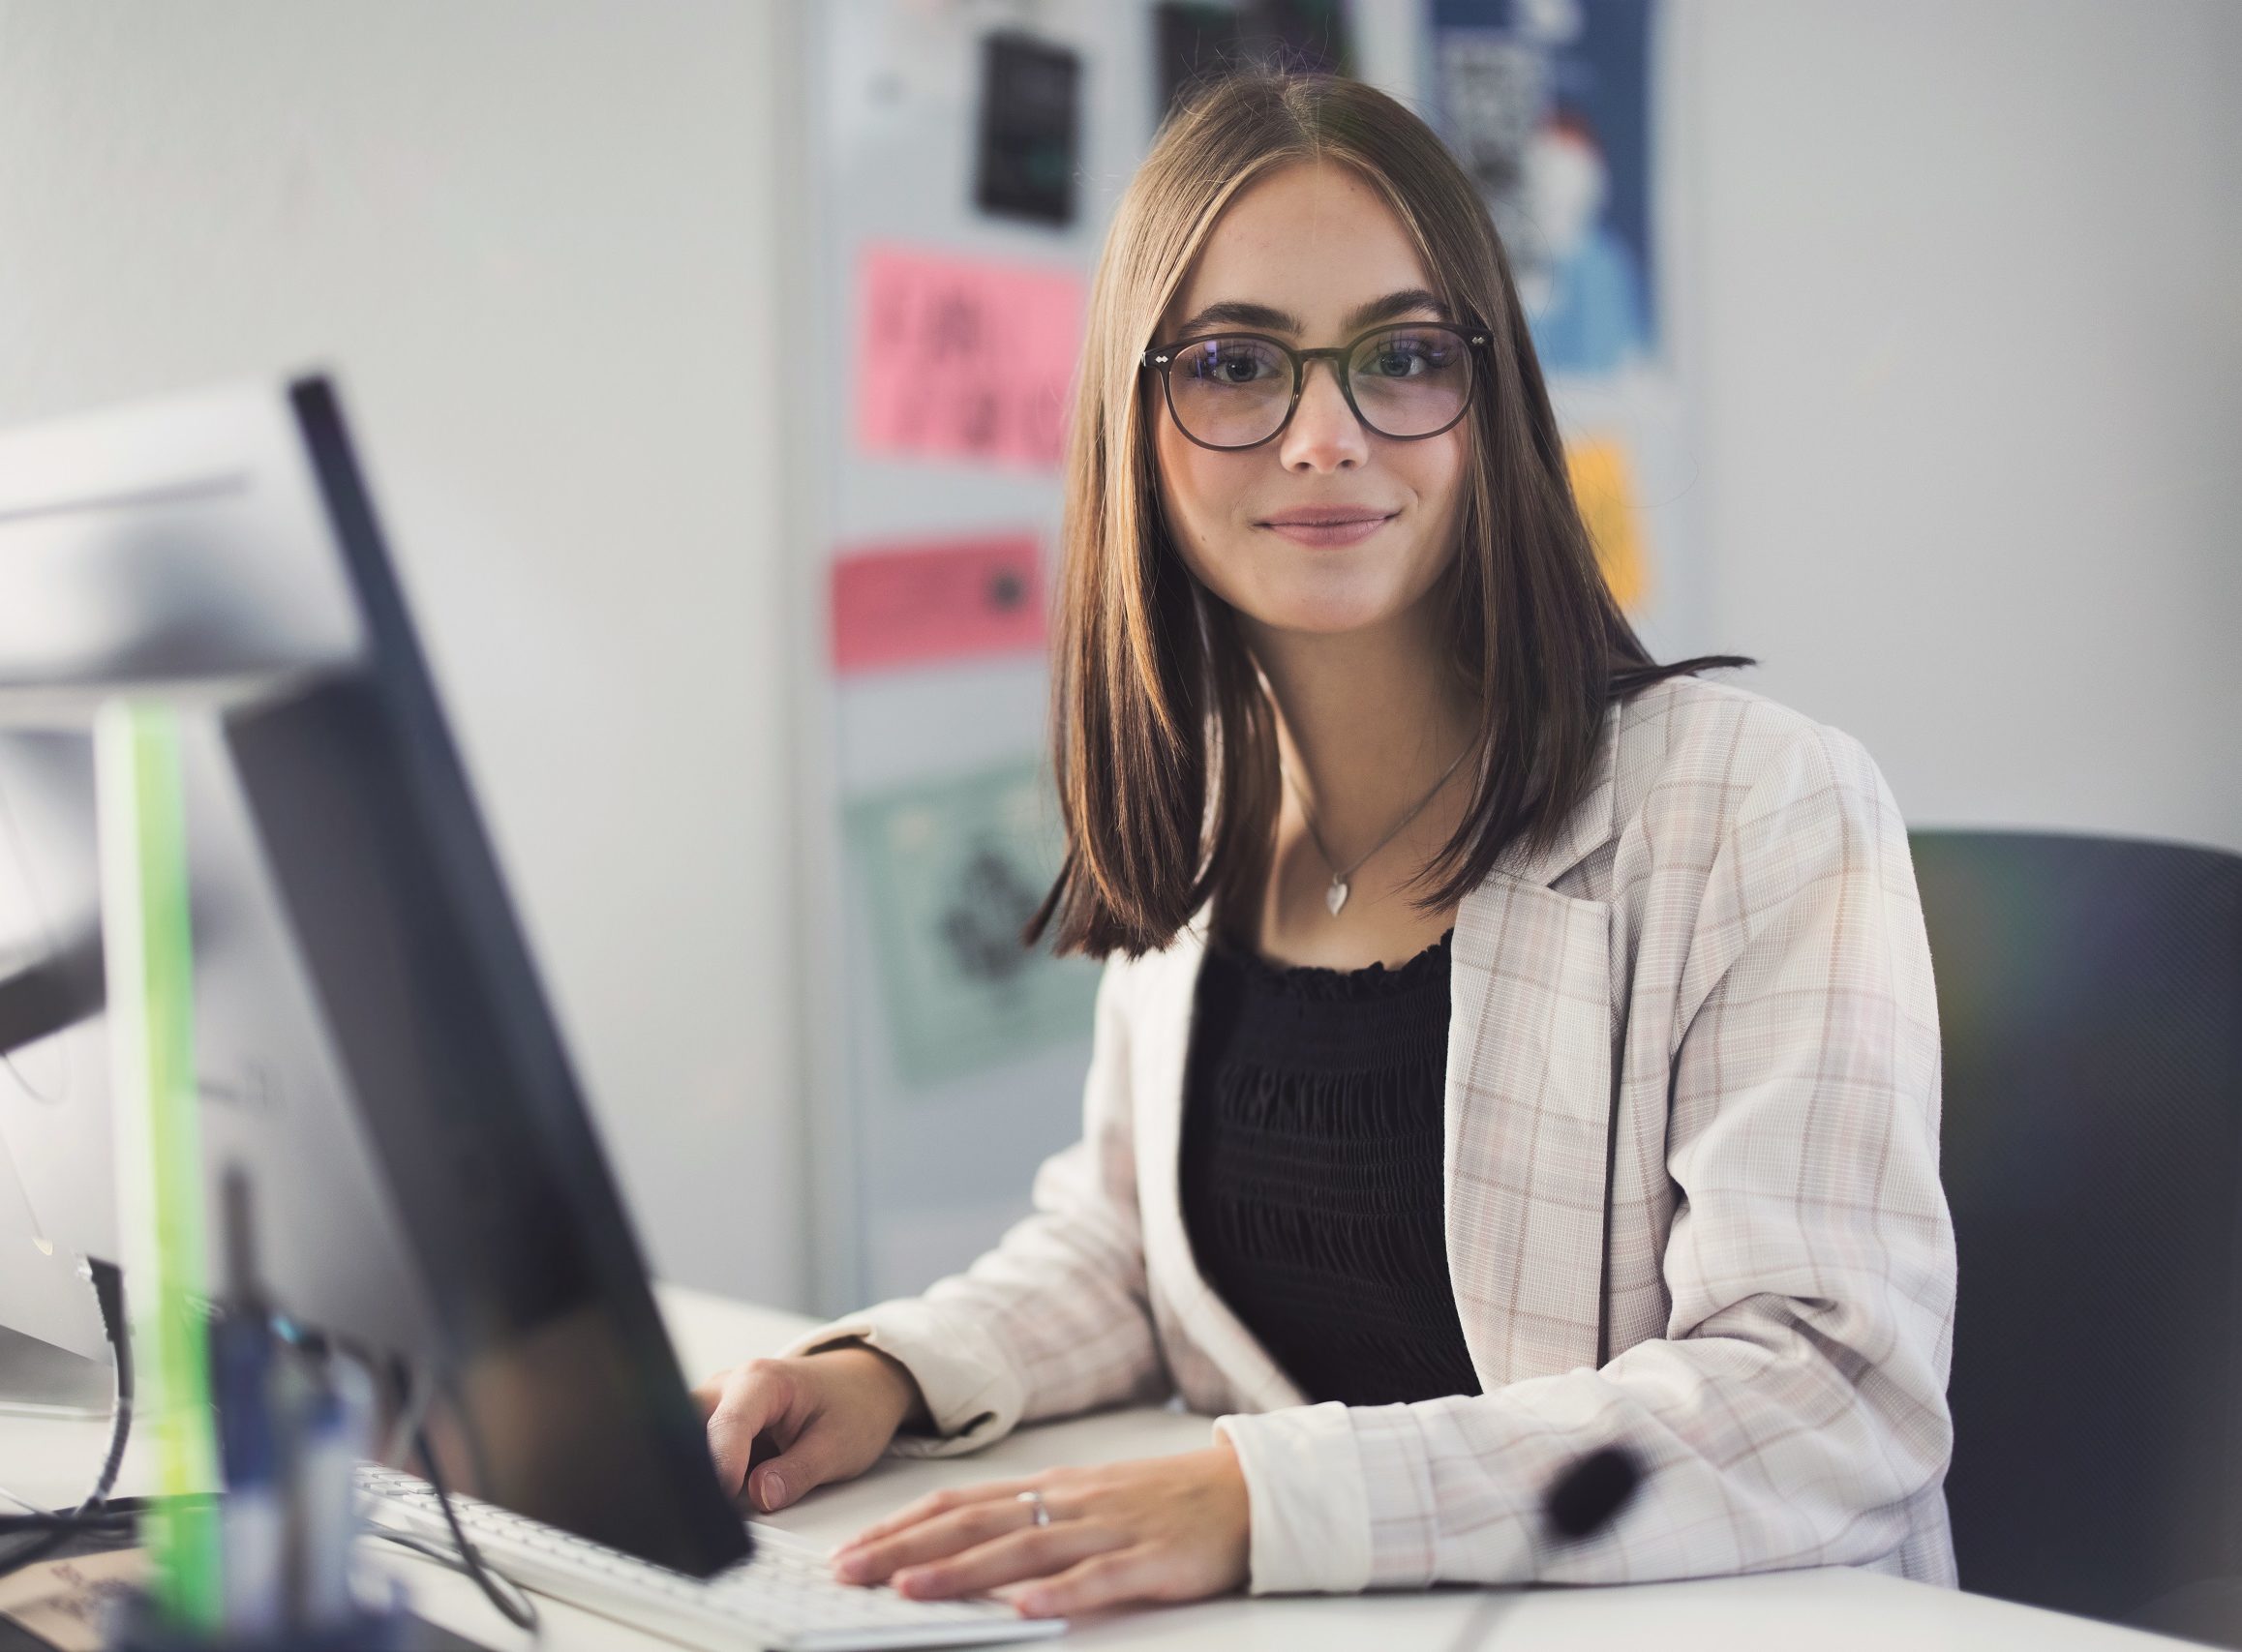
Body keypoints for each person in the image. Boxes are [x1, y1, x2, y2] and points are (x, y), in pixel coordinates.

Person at [694, 69, 1956, 1619]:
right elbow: (1132, 1253)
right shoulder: (1215, 826)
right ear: (1135, 421)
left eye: (1403, 357)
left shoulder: (1762, 811)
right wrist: (898, 1367)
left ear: (1485, 401)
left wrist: (1265, 1500)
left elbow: (1829, 1395)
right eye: (1235, 366)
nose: (1323, 436)